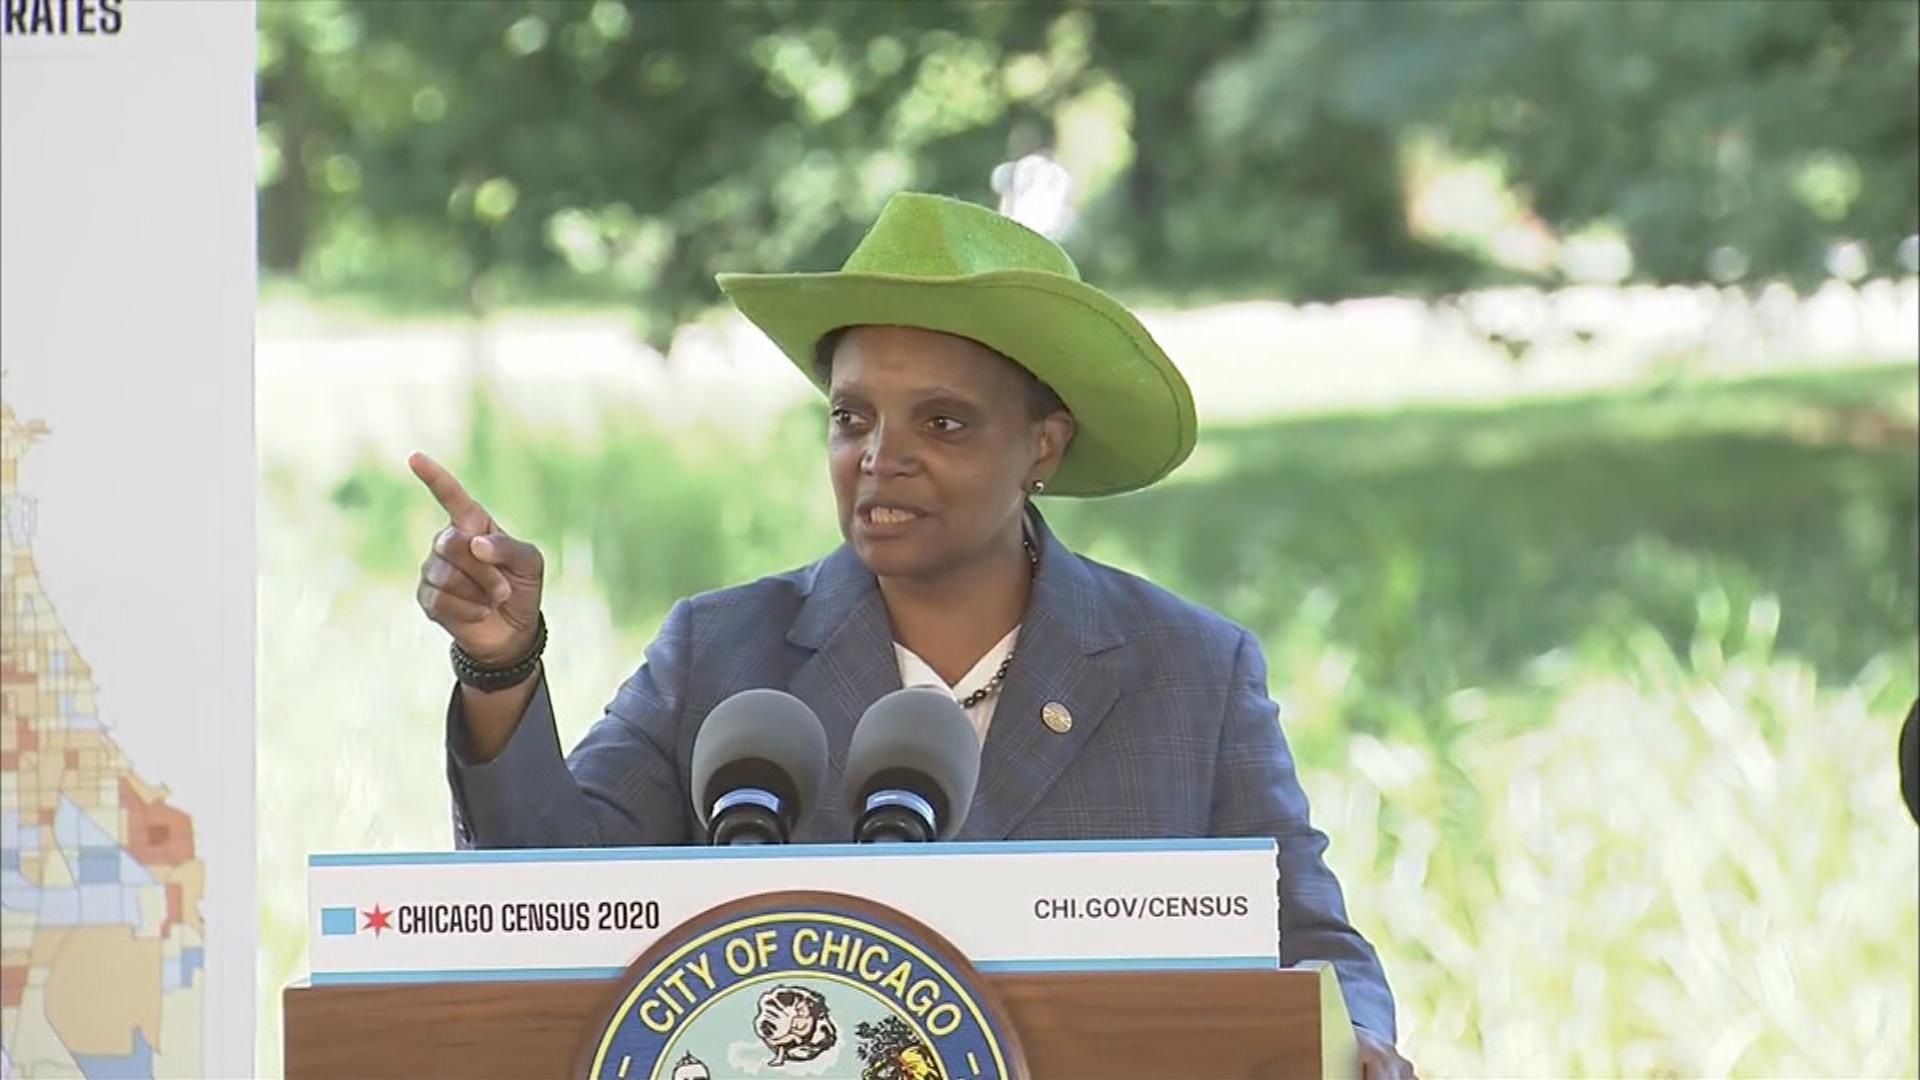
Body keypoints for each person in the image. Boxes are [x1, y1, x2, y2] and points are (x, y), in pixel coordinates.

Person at [413, 192, 1416, 1078]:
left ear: (1042, 446)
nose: (880, 460)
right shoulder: (718, 654)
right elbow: (547, 910)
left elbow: (1313, 942)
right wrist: (500, 662)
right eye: (852, 418)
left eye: (941, 424)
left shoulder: (1192, 668)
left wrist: (1358, 1045)